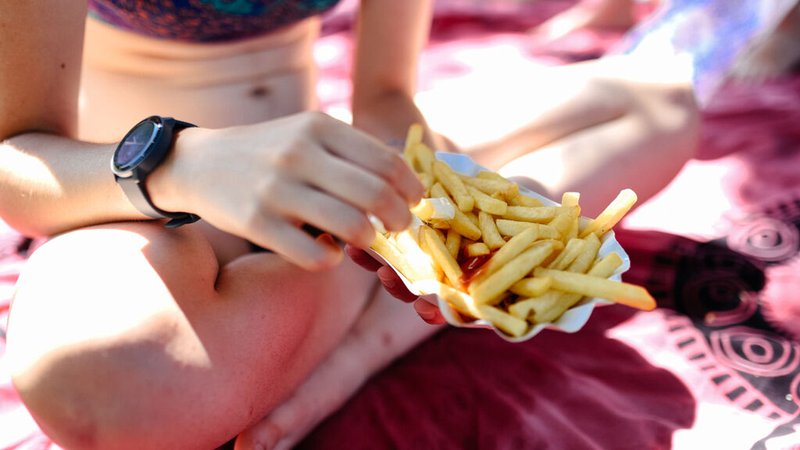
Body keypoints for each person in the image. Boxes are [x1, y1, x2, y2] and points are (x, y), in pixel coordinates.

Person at [0, 2, 447, 449]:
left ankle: (367, 307)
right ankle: (378, 308)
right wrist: (180, 164)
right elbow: (13, 156)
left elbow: (386, 95)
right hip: (134, 206)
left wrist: (406, 191)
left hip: (311, 193)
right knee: (102, 389)